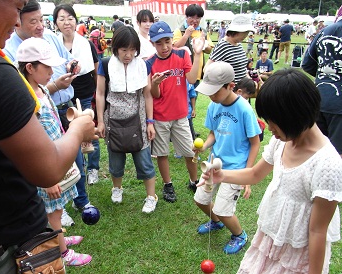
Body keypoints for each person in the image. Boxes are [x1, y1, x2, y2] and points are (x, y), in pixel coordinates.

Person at [0, 0, 96, 272]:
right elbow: (48, 169)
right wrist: (79, 129)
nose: (18, 22)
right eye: (17, 8)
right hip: (4, 246)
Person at [199, 69, 342, 273]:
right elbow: (255, 174)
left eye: (274, 121)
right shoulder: (281, 142)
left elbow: (317, 231)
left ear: (294, 115)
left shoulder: (327, 165)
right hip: (270, 237)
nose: (269, 127)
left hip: (298, 251)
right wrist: (222, 175)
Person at [3, 0, 96, 225]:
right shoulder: (9, 50)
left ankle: (77, 200)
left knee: (72, 162)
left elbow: (64, 60)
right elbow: (29, 98)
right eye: (32, 21)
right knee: (53, 167)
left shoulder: (50, 38)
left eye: (41, 20)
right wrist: (57, 86)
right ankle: (58, 214)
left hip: (61, 111)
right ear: (17, 21)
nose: (39, 26)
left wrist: (69, 66)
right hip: (43, 119)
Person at [16, 37, 92, 267]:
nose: (52, 70)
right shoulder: (25, 97)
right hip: (44, 168)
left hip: (54, 160)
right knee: (53, 211)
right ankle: (62, 251)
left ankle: (58, 236)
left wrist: (56, 85)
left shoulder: (38, 88)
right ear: (30, 68)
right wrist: (46, 179)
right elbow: (30, 145)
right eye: (47, 67)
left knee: (59, 207)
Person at [193, 61, 261, 255]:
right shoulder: (214, 106)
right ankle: (216, 223)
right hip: (215, 164)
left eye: (215, 92)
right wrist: (204, 146)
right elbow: (213, 133)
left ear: (230, 86)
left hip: (236, 169)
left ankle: (239, 235)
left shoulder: (245, 110)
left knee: (224, 209)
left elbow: (255, 143)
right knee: (200, 199)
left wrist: (247, 177)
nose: (211, 96)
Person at [95, 26, 158, 213]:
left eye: (132, 50)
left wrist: (150, 122)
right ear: (116, 48)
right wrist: (100, 121)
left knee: (144, 160)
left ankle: (150, 196)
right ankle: (117, 188)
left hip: (137, 121)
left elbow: (147, 95)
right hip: (112, 120)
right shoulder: (105, 64)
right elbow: (99, 94)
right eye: (124, 50)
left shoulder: (143, 65)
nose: (129, 55)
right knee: (115, 159)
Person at [146, 21, 204, 201]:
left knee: (190, 151)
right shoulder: (150, 63)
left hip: (181, 116)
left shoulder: (181, 54)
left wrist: (197, 54)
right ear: (152, 43)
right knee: (162, 153)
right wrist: (155, 83)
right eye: (159, 43)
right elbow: (154, 95)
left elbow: (192, 79)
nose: (164, 47)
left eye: (167, 41)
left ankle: (194, 181)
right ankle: (167, 184)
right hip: (161, 117)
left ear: (173, 39)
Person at [53, 4, 101, 186]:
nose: (67, 22)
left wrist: (97, 92)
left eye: (70, 18)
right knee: (70, 133)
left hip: (86, 92)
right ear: (56, 23)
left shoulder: (85, 43)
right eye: (62, 18)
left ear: (75, 20)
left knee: (89, 130)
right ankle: (74, 168)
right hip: (63, 96)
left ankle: (93, 168)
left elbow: (96, 69)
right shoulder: (53, 43)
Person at [302, 8, 342, 158]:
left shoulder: (325, 31)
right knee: (338, 155)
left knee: (315, 150)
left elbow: (307, 64)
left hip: (318, 97)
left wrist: (325, 75)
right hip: (339, 105)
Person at [172, 4, 214, 88]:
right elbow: (175, 47)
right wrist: (186, 35)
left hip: (197, 72)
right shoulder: (180, 31)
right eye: (191, 17)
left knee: (193, 98)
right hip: (183, 73)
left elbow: (209, 50)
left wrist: (203, 44)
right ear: (186, 17)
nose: (195, 20)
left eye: (197, 18)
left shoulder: (203, 32)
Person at [206, 14, 255, 84]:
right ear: (237, 30)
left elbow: (242, 68)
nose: (246, 35)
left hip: (241, 90)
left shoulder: (239, 45)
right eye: (245, 32)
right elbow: (207, 69)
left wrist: (249, 80)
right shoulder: (223, 45)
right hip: (229, 91)